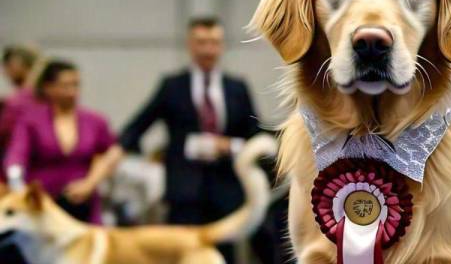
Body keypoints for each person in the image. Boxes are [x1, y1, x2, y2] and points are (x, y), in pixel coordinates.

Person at [111, 16, 263, 264]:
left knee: (227, 257)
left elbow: (255, 133)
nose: (208, 49)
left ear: (222, 46)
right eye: (201, 42)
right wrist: (111, 158)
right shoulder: (172, 86)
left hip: (227, 192)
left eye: (214, 42)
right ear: (190, 45)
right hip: (184, 193)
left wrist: (231, 146)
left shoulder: (237, 87)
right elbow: (137, 127)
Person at [3, 60, 122, 223]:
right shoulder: (31, 121)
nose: (72, 92)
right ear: (48, 88)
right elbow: (17, 153)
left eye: (76, 85)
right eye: (65, 86)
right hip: (43, 203)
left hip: (83, 202)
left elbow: (110, 153)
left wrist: (90, 183)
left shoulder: (95, 121)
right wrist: (16, 183)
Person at [1, 45, 40, 161]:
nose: (4, 72)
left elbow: (5, 133)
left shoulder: (19, 100)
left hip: (18, 157)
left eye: (8, 66)